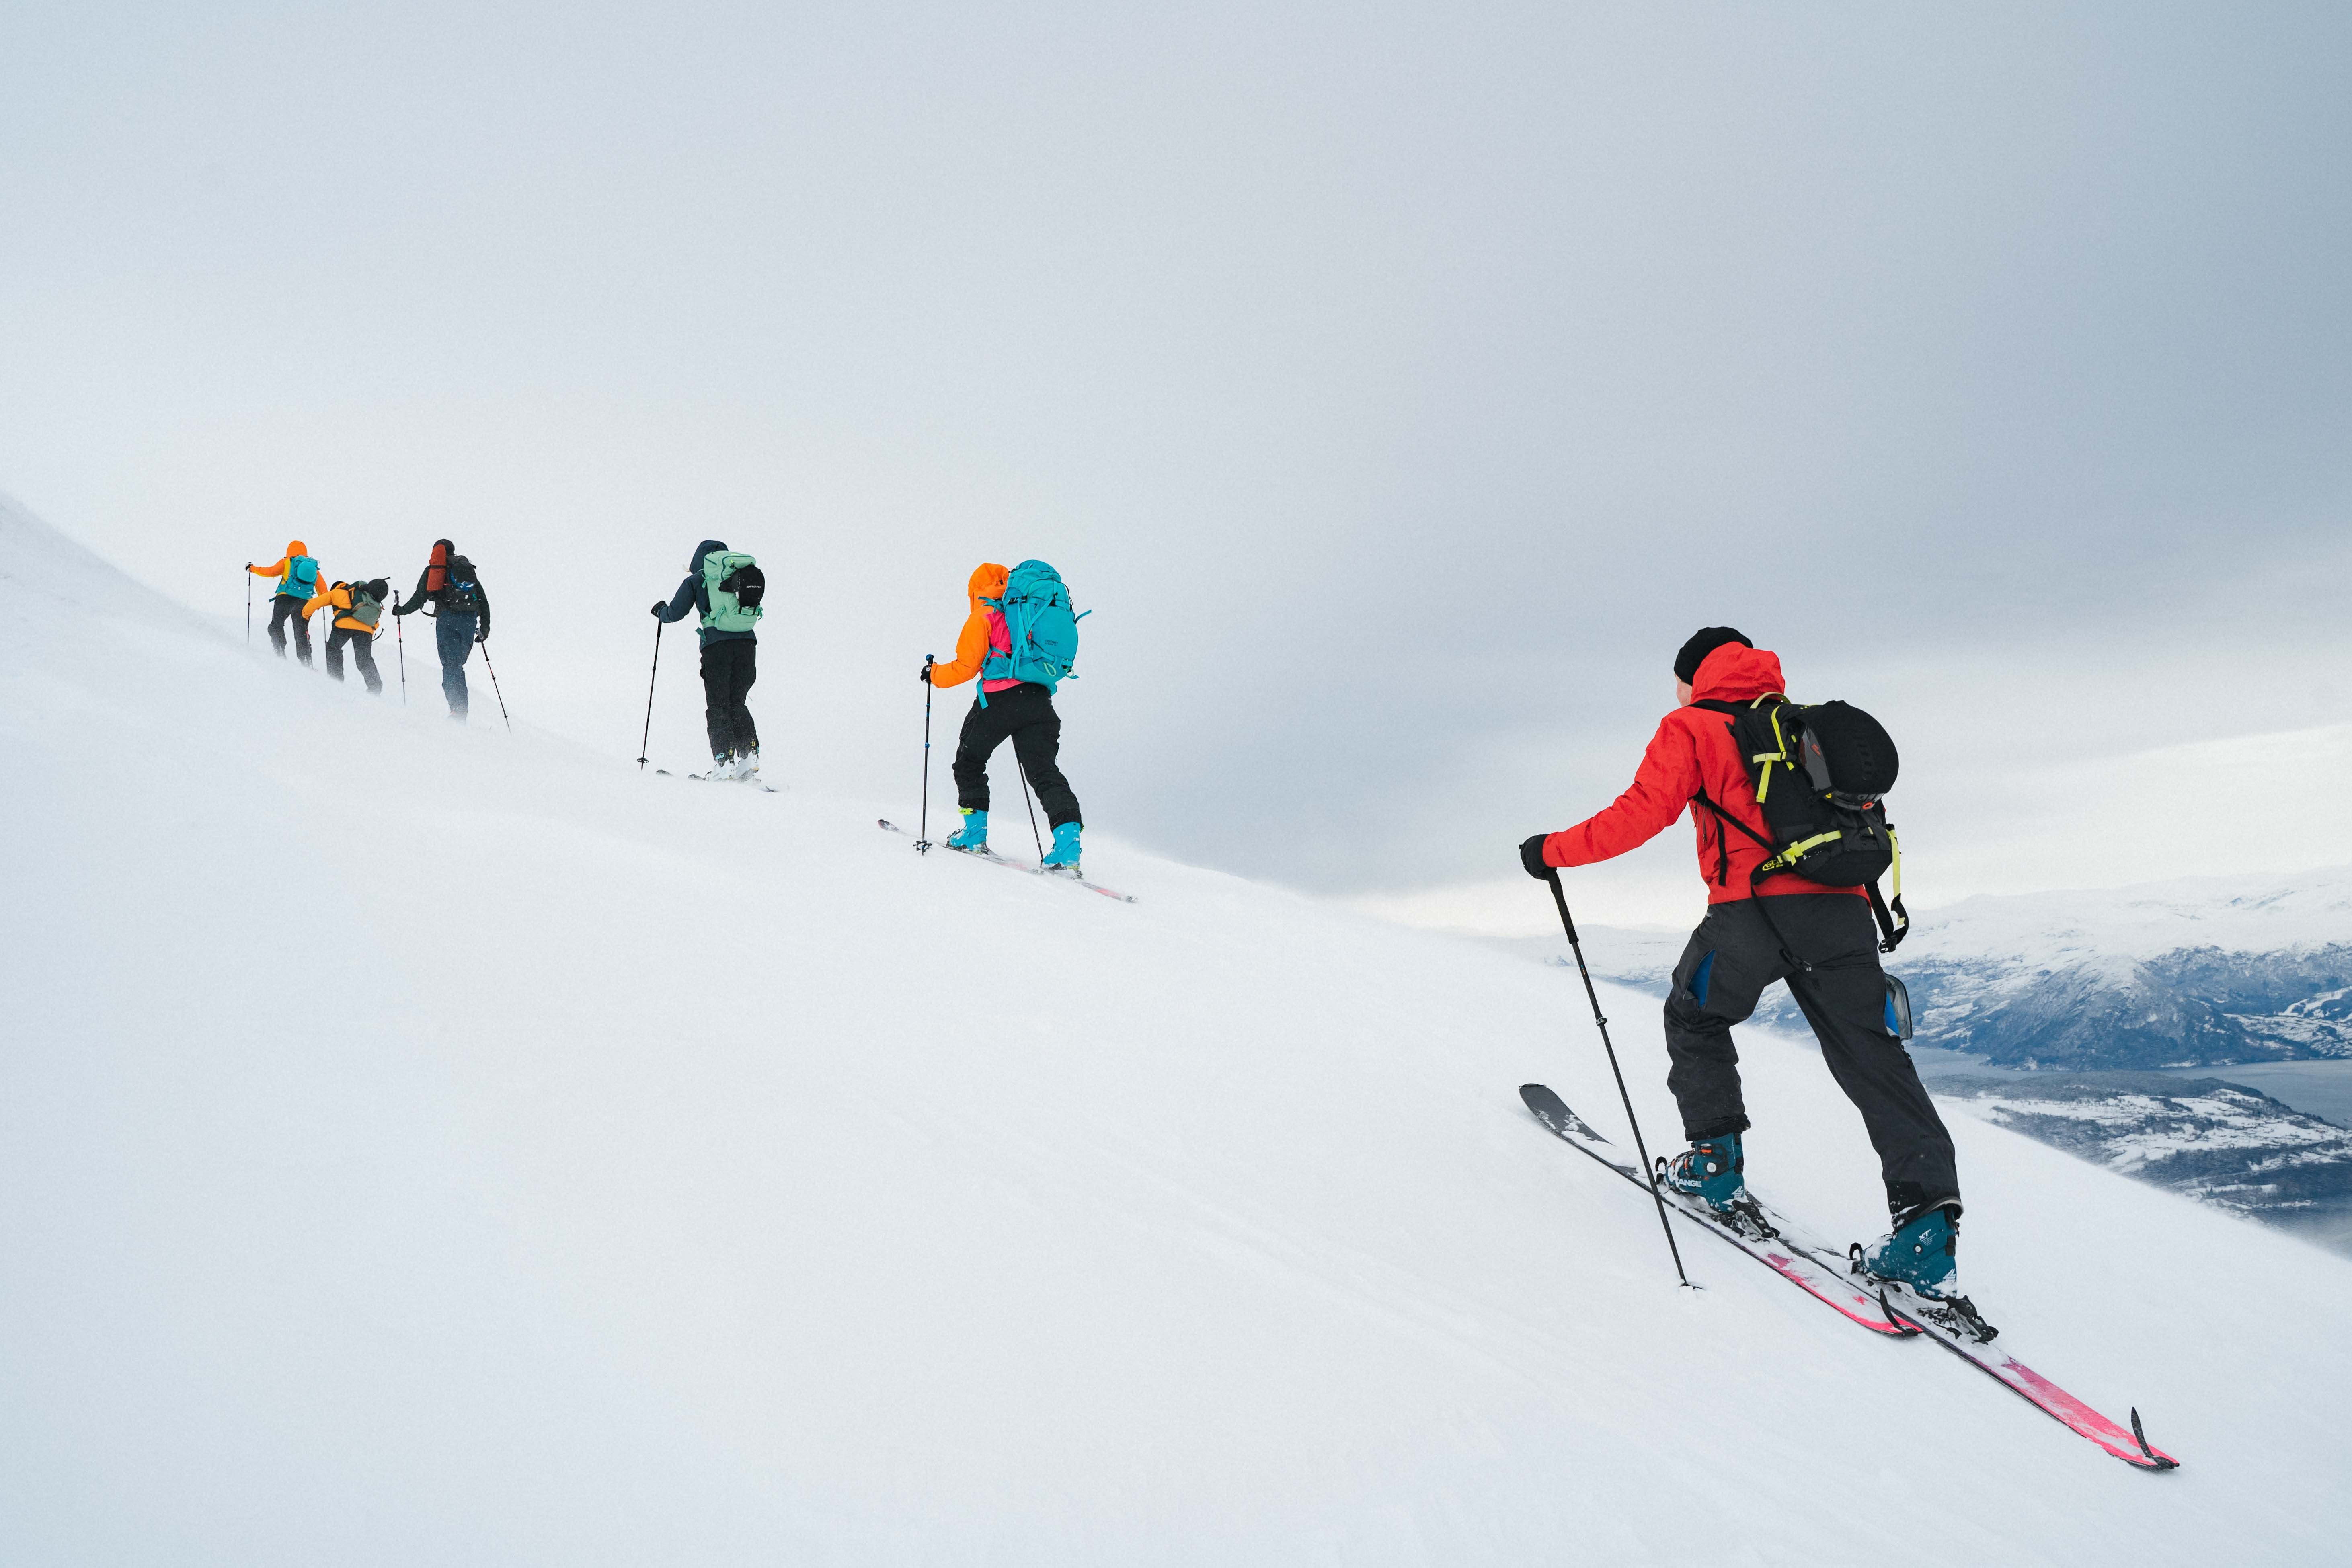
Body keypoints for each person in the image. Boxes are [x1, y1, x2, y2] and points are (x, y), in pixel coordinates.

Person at [1519, 627, 1963, 1299]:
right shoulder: (1803, 726)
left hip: (1752, 910)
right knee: (1874, 1058)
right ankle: (1927, 1232)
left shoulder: (1692, 726)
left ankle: (1714, 1164)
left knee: (1694, 1016)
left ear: (1692, 675)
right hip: (1843, 913)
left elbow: (1641, 814)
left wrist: (1551, 851)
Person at [922, 562, 1083, 872]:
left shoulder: (985, 614)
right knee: (1044, 773)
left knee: (969, 763)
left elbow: (966, 667)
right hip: (1040, 702)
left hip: (998, 701)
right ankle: (1067, 847)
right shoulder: (1025, 612)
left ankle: (973, 835)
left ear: (974, 589)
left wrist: (934, 674)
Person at [652, 539, 763, 781]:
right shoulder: (739, 575)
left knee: (718, 705)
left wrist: (661, 612)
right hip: (748, 646)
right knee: (738, 703)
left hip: (717, 648)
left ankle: (723, 764)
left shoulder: (696, 580)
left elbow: (675, 613)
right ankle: (749, 756)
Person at [393, 540, 490, 720]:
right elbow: (483, 600)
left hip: (447, 619)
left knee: (451, 665)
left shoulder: (435, 570)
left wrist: (401, 611)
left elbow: (420, 597)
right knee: (457, 665)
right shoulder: (467, 570)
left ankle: (458, 709)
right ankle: (460, 708)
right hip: (469, 622)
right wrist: (485, 627)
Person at [304, 578, 389, 694]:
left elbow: (314, 603)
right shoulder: (365, 596)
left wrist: (305, 616)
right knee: (364, 659)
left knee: (334, 648)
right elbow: (375, 620)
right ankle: (375, 687)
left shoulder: (337, 592)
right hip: (366, 631)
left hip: (344, 626)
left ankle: (336, 680)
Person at [246, 540, 322, 665]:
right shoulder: (313, 569)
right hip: (304, 602)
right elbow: (323, 591)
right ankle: (305, 659)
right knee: (300, 629)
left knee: (277, 624)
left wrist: (253, 569)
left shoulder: (287, 562)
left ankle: (279, 649)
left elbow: (270, 572)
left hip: (284, 599)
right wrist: (318, 604)